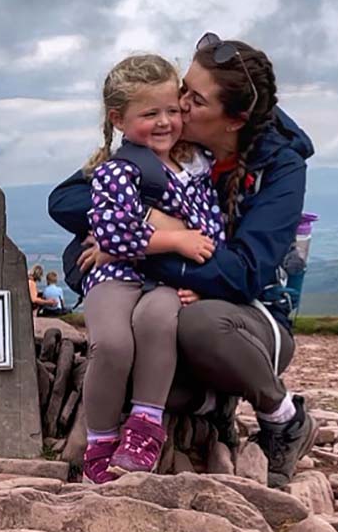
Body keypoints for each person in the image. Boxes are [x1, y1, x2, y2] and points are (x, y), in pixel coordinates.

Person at [49, 34, 316, 488]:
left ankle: (283, 416)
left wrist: (130, 245)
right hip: (177, 297)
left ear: (233, 120)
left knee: (199, 324)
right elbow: (69, 200)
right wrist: (155, 225)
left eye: (194, 99)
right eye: (182, 89)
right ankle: (212, 408)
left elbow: (243, 275)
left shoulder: (279, 169)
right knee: (130, 361)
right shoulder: (166, 149)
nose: (179, 103)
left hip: (250, 321)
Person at [76, 54, 226, 484]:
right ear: (118, 119)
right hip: (114, 276)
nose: (164, 122)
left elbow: (212, 231)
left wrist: (205, 282)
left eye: (172, 111)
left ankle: (146, 425)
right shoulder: (116, 170)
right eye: (150, 114)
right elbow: (111, 235)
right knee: (112, 345)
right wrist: (175, 239)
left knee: (158, 320)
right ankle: (100, 440)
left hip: (166, 280)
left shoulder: (196, 168)